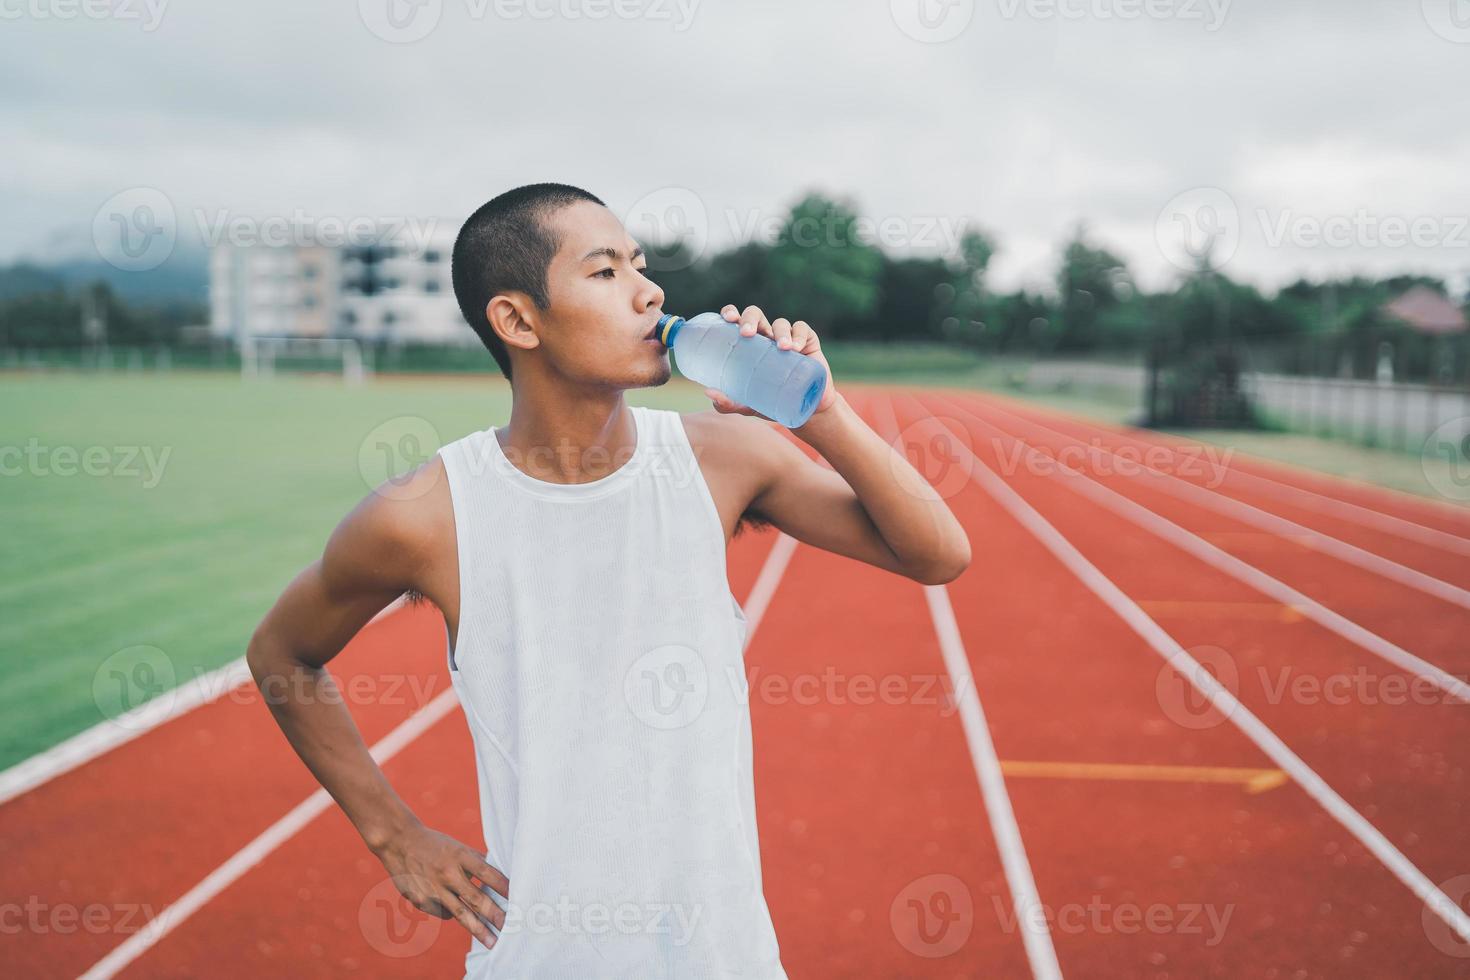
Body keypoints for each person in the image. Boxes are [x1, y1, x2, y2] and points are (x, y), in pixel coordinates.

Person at [245, 182, 972, 977]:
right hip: (542, 958)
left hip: (725, 959)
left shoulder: (727, 458)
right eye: (603, 272)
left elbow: (936, 553)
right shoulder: (423, 515)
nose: (649, 290)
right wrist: (396, 835)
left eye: (641, 265)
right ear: (518, 320)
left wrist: (822, 410)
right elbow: (282, 654)